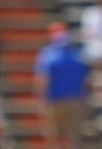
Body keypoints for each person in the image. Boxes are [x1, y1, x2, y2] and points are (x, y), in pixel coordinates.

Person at [34, 21, 91, 149]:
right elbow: (86, 81)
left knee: (55, 138)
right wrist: (85, 99)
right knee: (73, 139)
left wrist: (40, 99)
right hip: (73, 100)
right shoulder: (78, 54)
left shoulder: (48, 54)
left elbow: (43, 79)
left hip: (56, 101)